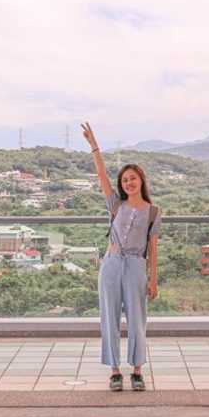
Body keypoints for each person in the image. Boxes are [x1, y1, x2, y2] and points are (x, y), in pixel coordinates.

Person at [81, 122, 161, 392]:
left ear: (141, 181)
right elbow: (101, 175)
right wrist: (94, 146)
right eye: (125, 179)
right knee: (110, 316)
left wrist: (153, 280)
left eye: (133, 178)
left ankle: (137, 370)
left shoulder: (153, 211)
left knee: (138, 318)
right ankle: (115, 370)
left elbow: (153, 248)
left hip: (137, 265)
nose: (129, 182)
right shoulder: (116, 205)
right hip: (112, 264)